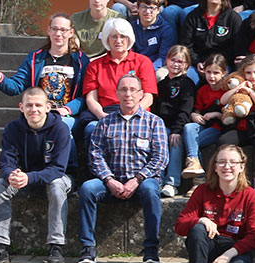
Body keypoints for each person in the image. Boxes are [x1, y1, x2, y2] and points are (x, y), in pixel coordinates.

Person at [76, 73, 166, 263]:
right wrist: (109, 180)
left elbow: (161, 158)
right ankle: (87, 249)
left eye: (133, 90)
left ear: (141, 94)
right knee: (87, 189)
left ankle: (151, 250)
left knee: (151, 190)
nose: (128, 94)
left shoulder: (154, 122)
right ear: (116, 93)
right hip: (111, 182)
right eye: (123, 89)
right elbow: (95, 155)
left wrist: (137, 179)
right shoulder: (105, 123)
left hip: (142, 182)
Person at [0, 88, 73, 263]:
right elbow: (6, 163)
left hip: (60, 177)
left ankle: (56, 247)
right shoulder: (13, 129)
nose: (33, 109)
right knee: (0, 184)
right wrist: (12, 175)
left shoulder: (60, 128)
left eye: (38, 105)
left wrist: (28, 177)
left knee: (56, 185)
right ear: (21, 107)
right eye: (29, 105)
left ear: (48, 107)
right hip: (25, 178)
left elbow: (58, 169)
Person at [166, 144, 255, 263]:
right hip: (207, 246)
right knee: (197, 229)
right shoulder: (202, 191)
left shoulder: (250, 195)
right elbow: (180, 225)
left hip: (233, 249)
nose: (227, 167)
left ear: (241, 167)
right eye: (222, 162)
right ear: (215, 167)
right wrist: (200, 219)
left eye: (233, 162)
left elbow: (254, 236)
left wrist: (228, 255)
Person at [0, 12, 89, 132]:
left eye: (63, 30)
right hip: (39, 114)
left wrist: (67, 109)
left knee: (61, 129)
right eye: (54, 29)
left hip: (67, 116)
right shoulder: (35, 58)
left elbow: (86, 95)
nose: (58, 34)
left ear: (71, 33)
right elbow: (17, 86)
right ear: (48, 31)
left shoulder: (81, 60)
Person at [78, 18, 158, 149]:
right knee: (91, 129)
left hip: (136, 114)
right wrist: (102, 116)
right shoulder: (95, 65)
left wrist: (130, 115)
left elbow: (148, 97)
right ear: (107, 39)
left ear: (129, 38)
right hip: (105, 114)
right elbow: (91, 98)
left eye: (123, 36)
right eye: (114, 36)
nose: (118, 40)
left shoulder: (143, 62)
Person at [215, 55, 255, 190]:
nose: (252, 76)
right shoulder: (239, 85)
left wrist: (250, 92)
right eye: (248, 73)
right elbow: (223, 100)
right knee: (223, 141)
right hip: (242, 128)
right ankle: (230, 178)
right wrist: (238, 88)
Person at [155, 46, 197, 197]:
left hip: (177, 126)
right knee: (158, 140)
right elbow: (155, 108)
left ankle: (172, 182)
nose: (176, 64)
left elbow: (185, 109)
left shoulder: (187, 84)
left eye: (180, 61)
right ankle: (157, 179)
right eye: (173, 60)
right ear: (166, 60)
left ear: (186, 65)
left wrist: (177, 130)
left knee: (175, 141)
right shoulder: (160, 84)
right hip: (161, 125)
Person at [181, 53, 231, 180]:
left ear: (224, 73)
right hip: (204, 125)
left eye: (216, 73)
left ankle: (199, 178)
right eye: (208, 72)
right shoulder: (203, 90)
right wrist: (194, 115)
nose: (211, 76)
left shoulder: (226, 90)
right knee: (189, 127)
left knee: (192, 142)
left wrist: (216, 114)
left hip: (219, 128)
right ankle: (194, 163)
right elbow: (196, 110)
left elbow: (230, 117)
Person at [183, 0, 242, 67]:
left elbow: (235, 48)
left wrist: (216, 63)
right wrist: (197, 62)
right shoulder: (193, 17)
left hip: (222, 66)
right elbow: (186, 46)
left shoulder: (233, 18)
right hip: (197, 65)